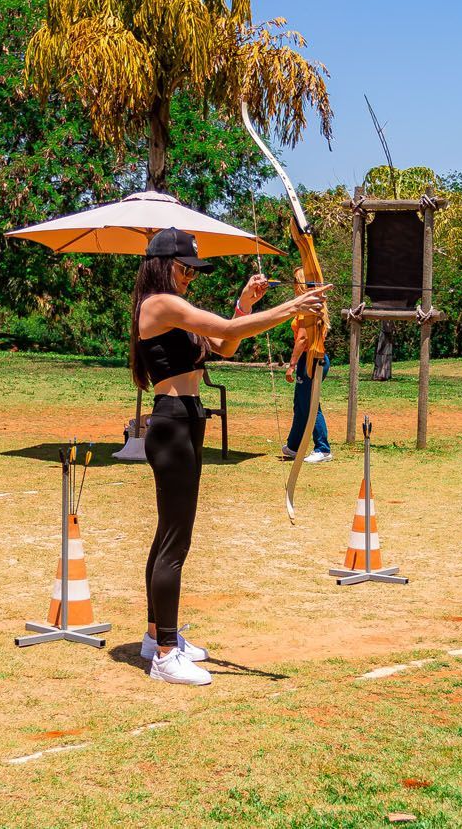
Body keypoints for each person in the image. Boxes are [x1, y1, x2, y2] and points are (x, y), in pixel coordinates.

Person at [132, 228, 328, 685]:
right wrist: (294, 308)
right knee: (175, 542)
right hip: (173, 421)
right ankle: (164, 654)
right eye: (184, 269)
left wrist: (247, 303)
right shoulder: (159, 304)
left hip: (187, 417)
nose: (189, 279)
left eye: (192, 272)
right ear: (163, 266)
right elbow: (223, 329)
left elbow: (223, 344)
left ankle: (155, 635)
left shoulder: (175, 309)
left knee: (169, 535)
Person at [282, 267, 332, 464]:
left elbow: (302, 339)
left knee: (311, 406)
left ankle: (323, 448)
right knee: (301, 404)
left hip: (310, 359)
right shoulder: (314, 306)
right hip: (311, 359)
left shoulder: (306, 310)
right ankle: (294, 446)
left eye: (295, 282)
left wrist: (291, 365)